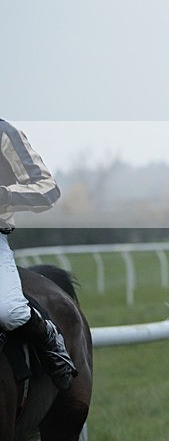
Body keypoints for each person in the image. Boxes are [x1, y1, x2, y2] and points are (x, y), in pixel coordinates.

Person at [0, 119, 78, 390]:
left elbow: (47, 189)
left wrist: (4, 195)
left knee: (9, 311)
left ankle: (51, 342)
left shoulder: (5, 133)